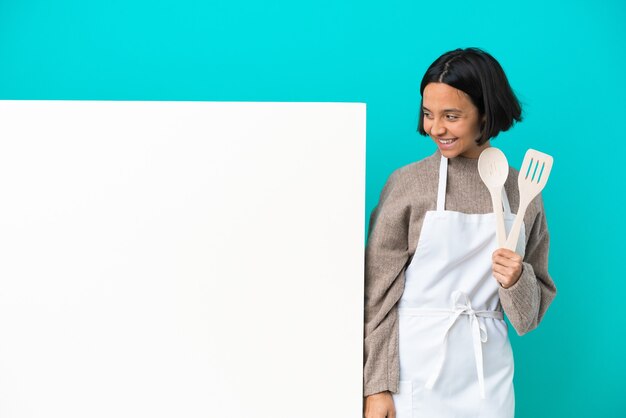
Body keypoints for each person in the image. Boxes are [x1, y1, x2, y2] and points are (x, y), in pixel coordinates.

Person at [363, 47, 557, 418]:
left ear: (485, 113)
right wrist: (377, 387)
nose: (435, 128)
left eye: (451, 116)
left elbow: (527, 320)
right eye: (428, 114)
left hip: (487, 378)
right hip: (411, 374)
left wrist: (517, 279)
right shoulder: (407, 185)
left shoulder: (523, 192)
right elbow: (377, 298)